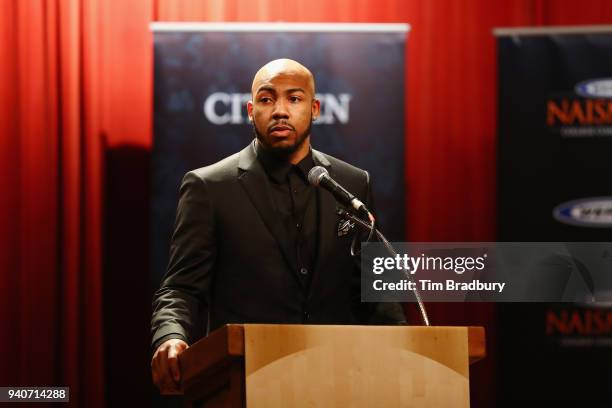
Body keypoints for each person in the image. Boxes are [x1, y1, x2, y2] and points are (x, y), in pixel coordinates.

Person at [151, 58, 406, 392]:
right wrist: (170, 336)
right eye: (267, 99)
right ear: (250, 109)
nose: (280, 111)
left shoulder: (352, 184)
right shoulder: (210, 186)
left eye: (294, 99)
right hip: (245, 380)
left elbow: (375, 290)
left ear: (315, 108)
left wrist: (406, 350)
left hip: (339, 379)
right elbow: (181, 287)